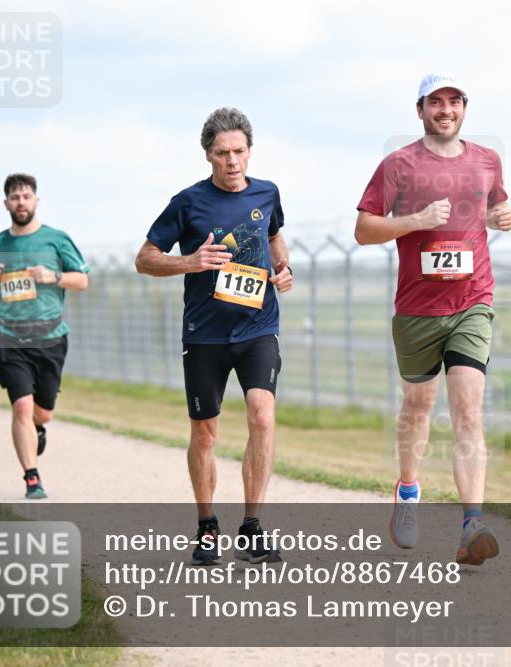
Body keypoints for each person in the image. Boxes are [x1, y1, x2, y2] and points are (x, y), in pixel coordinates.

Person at [354, 72, 511, 566]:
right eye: (435, 102)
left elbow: (493, 208)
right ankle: (407, 491)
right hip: (418, 310)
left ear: (464, 107)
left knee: (468, 409)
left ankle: (472, 525)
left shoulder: (487, 160)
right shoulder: (397, 164)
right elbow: (364, 230)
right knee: (418, 408)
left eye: (453, 101)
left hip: (472, 303)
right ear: (420, 109)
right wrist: (414, 221)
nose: (445, 109)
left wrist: (502, 218)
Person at [136, 107, 293, 566]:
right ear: (208, 155)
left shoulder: (268, 192)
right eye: (222, 153)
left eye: (239, 151)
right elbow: (144, 259)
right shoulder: (187, 203)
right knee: (205, 434)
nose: (232, 161)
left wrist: (283, 269)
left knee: (262, 416)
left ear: (250, 150)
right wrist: (190, 262)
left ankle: (252, 526)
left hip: (258, 326)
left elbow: (276, 236)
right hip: (204, 334)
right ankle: (207, 525)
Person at [0, 173, 90, 499]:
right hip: (10, 338)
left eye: (26, 196)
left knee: (42, 412)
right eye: (15, 197)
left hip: (50, 338)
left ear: (35, 200)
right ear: (6, 203)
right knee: (22, 408)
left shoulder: (56, 239)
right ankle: (32, 478)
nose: (21, 202)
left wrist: (54, 276)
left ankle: (37, 428)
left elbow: (82, 281)